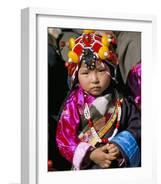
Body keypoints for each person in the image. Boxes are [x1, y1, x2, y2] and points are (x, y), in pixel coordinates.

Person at [56, 30, 141, 170]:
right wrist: (91, 154)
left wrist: (120, 145)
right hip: (88, 167)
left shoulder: (121, 99)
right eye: (85, 73)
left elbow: (137, 125)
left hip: (118, 164)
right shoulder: (73, 104)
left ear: (112, 70)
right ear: (76, 75)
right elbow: (64, 139)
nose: (94, 79)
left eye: (101, 71)